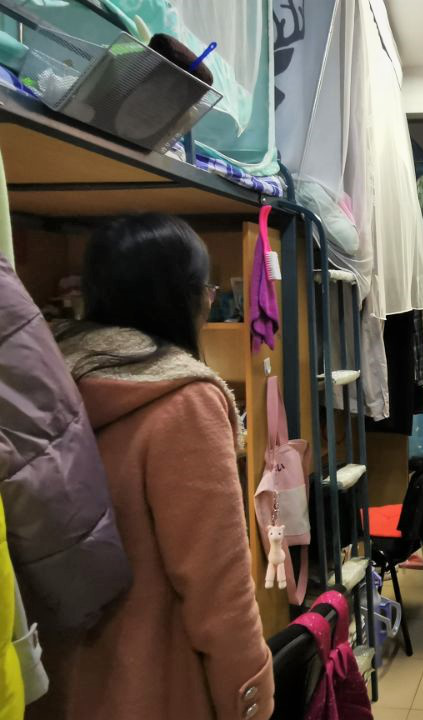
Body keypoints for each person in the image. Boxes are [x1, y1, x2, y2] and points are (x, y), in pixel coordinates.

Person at [36, 215, 273, 720]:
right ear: (184, 298)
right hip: (155, 683)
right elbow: (219, 589)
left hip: (56, 678)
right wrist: (252, 696)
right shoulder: (185, 403)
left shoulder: (47, 382)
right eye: (207, 290)